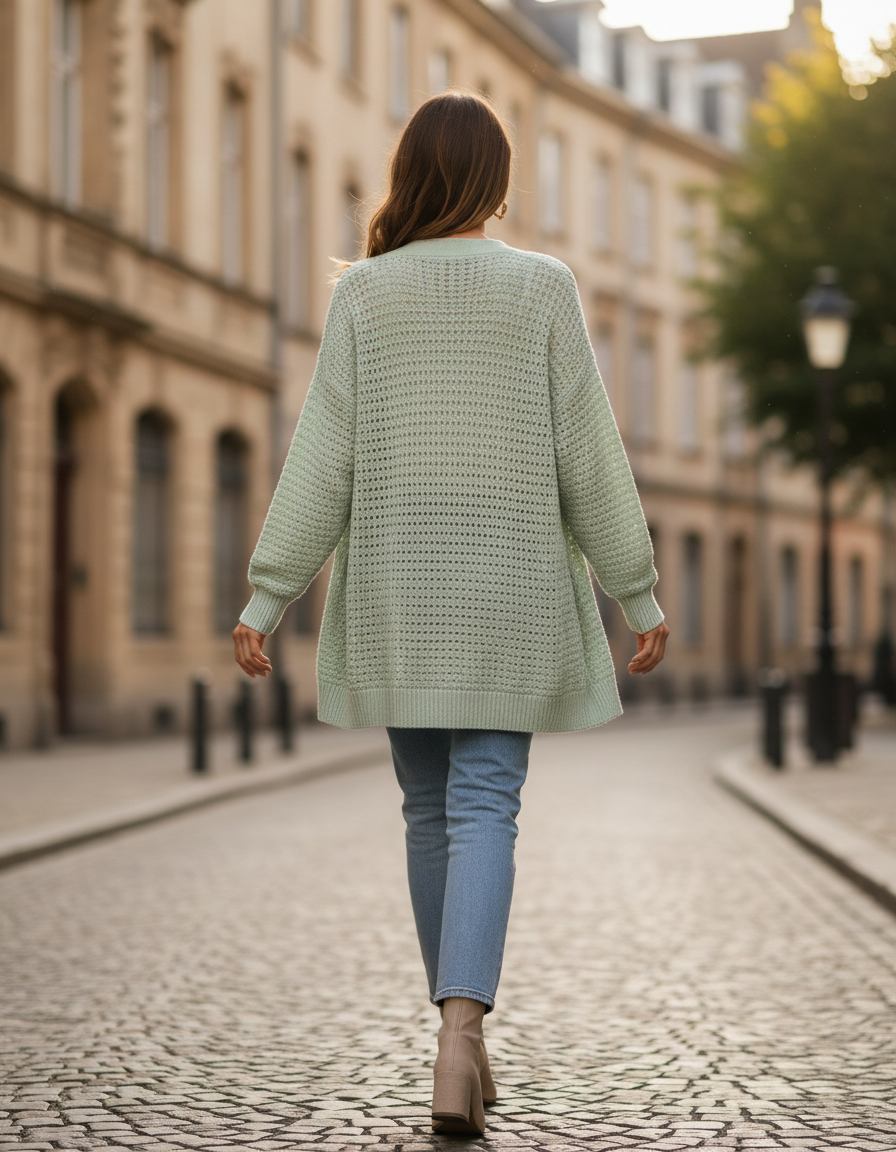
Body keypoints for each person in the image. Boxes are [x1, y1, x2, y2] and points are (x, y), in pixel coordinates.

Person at [233, 91, 668, 1137]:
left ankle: (453, 1036)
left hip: (396, 593)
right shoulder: (542, 289)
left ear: (409, 175)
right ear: (494, 181)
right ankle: (460, 1036)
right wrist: (634, 589)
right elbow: (586, 454)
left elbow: (320, 459)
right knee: (485, 805)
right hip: (509, 592)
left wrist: (268, 592)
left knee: (428, 813)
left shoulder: (365, 298)